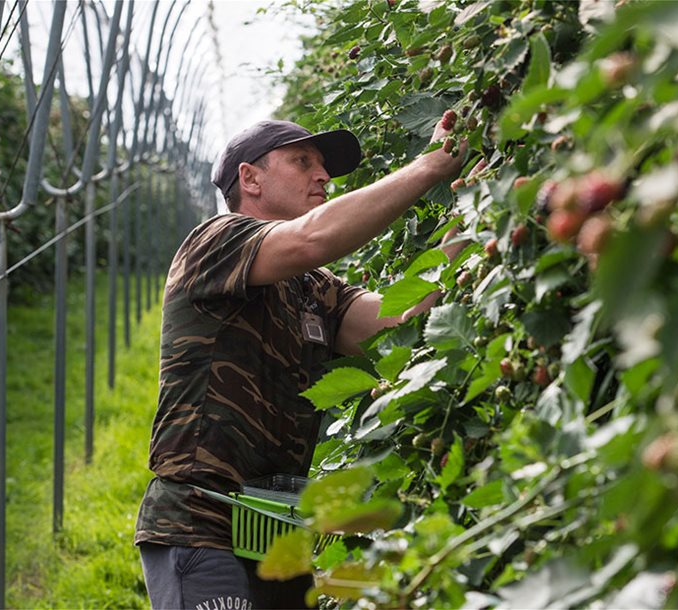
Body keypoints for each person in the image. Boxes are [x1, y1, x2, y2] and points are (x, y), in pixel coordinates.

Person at [134, 116, 466, 609]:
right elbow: (313, 238)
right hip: (200, 522)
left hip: (273, 534)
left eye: (324, 167)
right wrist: (431, 166)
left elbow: (402, 319)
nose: (323, 176)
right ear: (250, 179)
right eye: (303, 161)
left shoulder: (314, 287)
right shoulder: (214, 243)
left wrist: (470, 208)